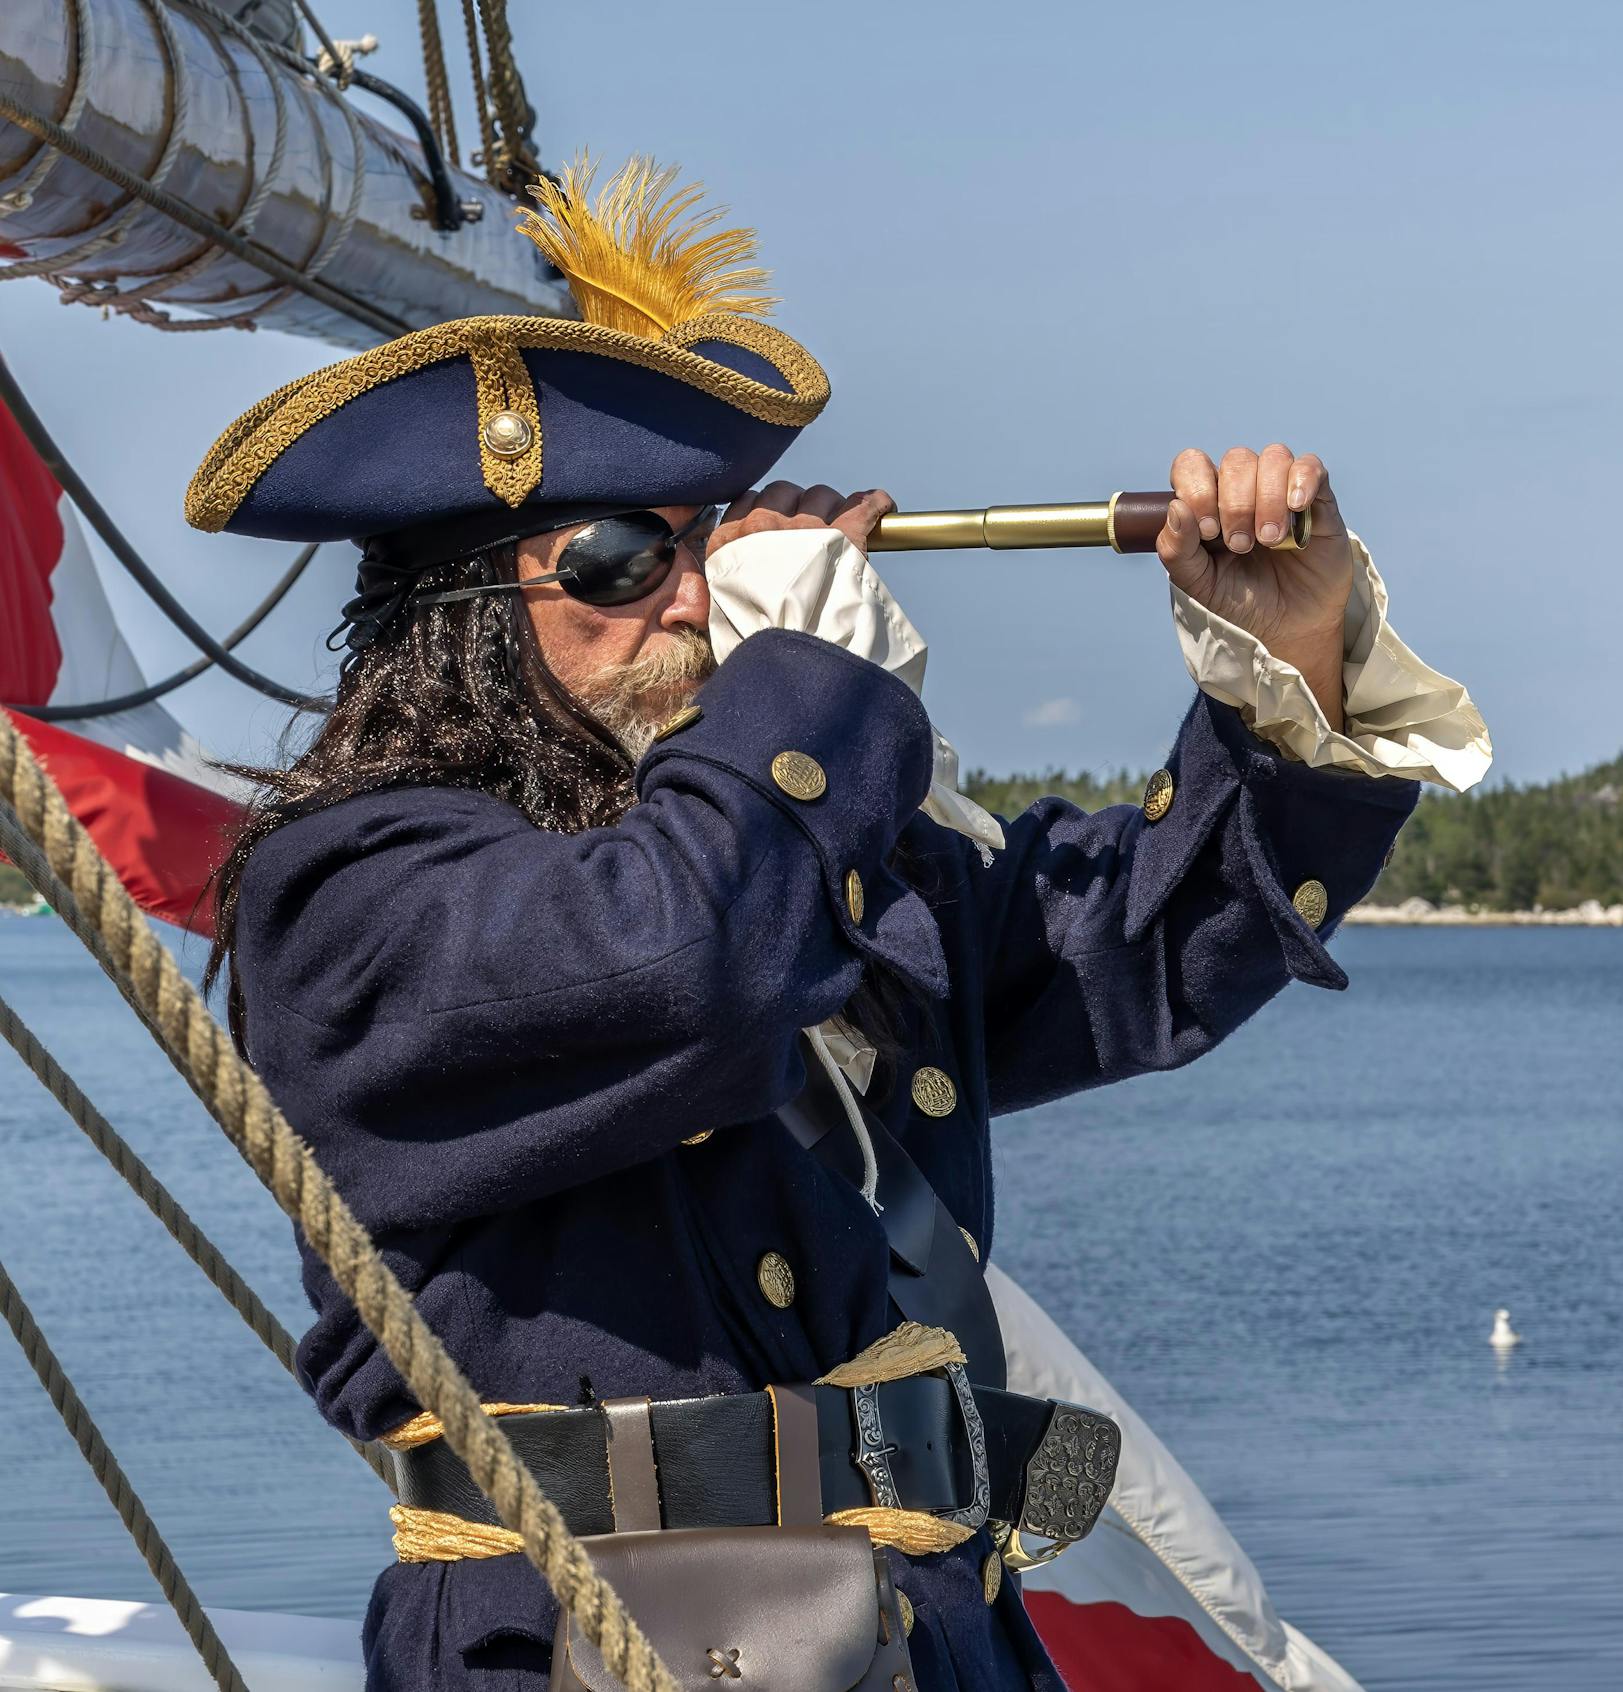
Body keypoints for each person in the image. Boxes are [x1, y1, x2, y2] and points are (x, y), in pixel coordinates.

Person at [187, 156, 1488, 1692]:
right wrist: (804, 677)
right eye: (623, 558)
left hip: (922, 1637)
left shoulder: (788, 850)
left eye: (709, 546)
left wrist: (1291, 668)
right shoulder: (350, 891)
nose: (691, 603)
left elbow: (1139, 957)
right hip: (580, 1651)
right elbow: (686, 965)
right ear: (461, 618)